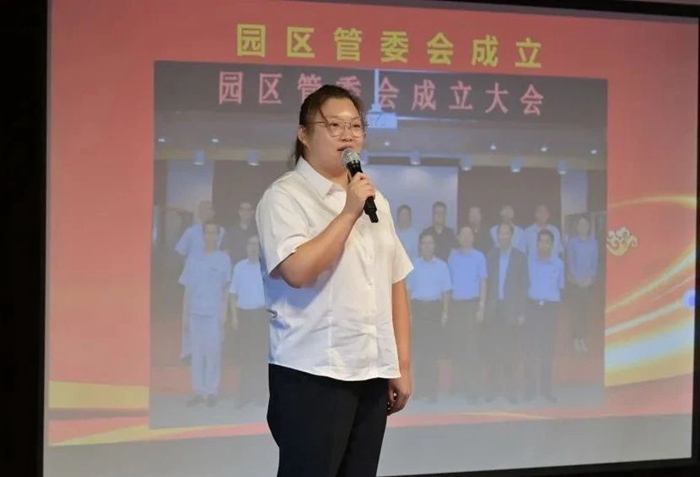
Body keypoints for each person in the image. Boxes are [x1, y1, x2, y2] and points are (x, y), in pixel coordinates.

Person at [256, 84, 413, 477]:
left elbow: (394, 281)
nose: (348, 135)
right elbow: (297, 271)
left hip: (371, 370)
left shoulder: (376, 201)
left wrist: (401, 364)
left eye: (356, 126)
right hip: (313, 372)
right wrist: (347, 213)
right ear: (304, 134)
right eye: (334, 125)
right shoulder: (285, 197)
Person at [178, 219, 231, 407]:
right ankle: (198, 391)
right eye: (207, 233)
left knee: (213, 353)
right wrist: (184, 316)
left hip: (214, 314)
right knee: (197, 354)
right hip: (195, 313)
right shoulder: (193, 259)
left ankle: (211, 392)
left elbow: (226, 289)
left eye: (213, 233)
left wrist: (224, 313)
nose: (210, 236)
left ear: (218, 236)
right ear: (203, 235)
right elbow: (187, 290)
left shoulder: (224, 259)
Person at [485, 223, 528, 403]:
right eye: (500, 233)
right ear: (497, 236)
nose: (503, 236)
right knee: (493, 351)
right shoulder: (491, 255)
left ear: (512, 235)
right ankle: (493, 390)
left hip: (511, 310)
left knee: (510, 352)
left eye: (506, 233)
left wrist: (521, 312)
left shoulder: (520, 257)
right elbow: (486, 282)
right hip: (494, 309)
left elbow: (523, 286)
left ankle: (511, 392)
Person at [407, 232, 452, 402]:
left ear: (434, 246)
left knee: (432, 352)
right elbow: (408, 291)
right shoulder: (413, 265)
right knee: (419, 352)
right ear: (420, 246)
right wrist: (409, 313)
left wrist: (445, 312)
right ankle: (420, 391)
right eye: (424, 243)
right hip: (418, 310)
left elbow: (446, 291)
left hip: (434, 310)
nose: (427, 246)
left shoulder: (442, 266)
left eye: (430, 243)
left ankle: (432, 391)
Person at [447, 225, 487, 401]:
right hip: (456, 306)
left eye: (469, 234)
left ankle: (473, 388)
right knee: (457, 346)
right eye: (462, 234)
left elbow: (483, 282)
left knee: (472, 348)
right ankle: (458, 384)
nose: (466, 237)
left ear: (473, 237)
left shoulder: (479, 257)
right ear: (458, 238)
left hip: (472, 306)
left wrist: (481, 306)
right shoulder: (452, 257)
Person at [524, 229, 564, 403]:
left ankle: (546, 390)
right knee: (531, 350)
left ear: (552, 245)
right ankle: (530, 390)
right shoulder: (528, 262)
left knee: (547, 351)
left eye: (547, 241)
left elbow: (560, 287)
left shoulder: (559, 264)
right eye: (541, 241)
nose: (544, 244)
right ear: (537, 243)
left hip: (550, 309)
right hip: (532, 308)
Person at [228, 235, 268, 408]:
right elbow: (232, 294)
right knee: (245, 357)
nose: (253, 247)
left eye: (256, 245)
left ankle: (260, 395)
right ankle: (244, 395)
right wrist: (234, 316)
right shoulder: (239, 267)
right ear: (246, 247)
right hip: (244, 316)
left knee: (260, 357)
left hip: (261, 316)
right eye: (250, 244)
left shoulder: (266, 267)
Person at [566, 215, 599, 354]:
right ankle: (576, 339)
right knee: (576, 311)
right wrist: (577, 279)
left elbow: (594, 262)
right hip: (575, 283)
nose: (582, 227)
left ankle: (583, 339)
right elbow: (570, 261)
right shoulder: (572, 242)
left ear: (588, 226)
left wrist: (590, 279)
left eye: (585, 224)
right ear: (577, 226)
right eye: (580, 224)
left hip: (587, 283)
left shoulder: (593, 243)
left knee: (584, 312)